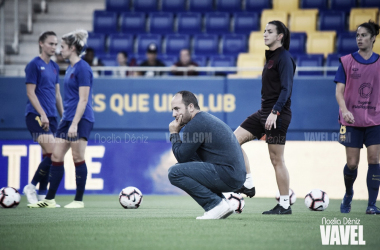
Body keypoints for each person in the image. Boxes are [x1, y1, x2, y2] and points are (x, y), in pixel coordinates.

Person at [234, 20, 296, 215]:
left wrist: (275, 112)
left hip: (277, 114)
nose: (265, 34)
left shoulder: (284, 58)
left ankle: (285, 205)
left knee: (276, 159)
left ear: (280, 36)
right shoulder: (271, 57)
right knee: (232, 141)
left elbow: (287, 89)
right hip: (263, 112)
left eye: (269, 31)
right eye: (264, 31)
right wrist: (268, 112)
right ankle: (248, 183)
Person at [28, 29, 94, 209]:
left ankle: (78, 200)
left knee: (77, 156)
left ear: (72, 48)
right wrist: (66, 120)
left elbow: (84, 99)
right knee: (56, 155)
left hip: (81, 119)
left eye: (63, 47)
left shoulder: (83, 68)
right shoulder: (71, 68)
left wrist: (74, 124)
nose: (60, 50)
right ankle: (49, 199)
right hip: (67, 119)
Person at [168, 91, 246, 219]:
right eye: (172, 110)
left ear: (191, 107)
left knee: (174, 173)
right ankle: (222, 204)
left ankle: (215, 205)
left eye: (177, 109)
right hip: (235, 176)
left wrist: (174, 133)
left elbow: (181, 157)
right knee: (186, 164)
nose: (173, 114)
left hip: (228, 174)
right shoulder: (203, 119)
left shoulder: (195, 124)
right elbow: (186, 159)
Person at [335, 20, 380, 215]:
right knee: (352, 163)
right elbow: (339, 92)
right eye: (357, 35)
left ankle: (371, 204)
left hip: (375, 120)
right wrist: (345, 110)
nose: (359, 39)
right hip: (351, 121)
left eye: (363, 35)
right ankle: (348, 194)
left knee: (374, 159)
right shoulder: (346, 61)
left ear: (373, 38)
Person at [23, 31, 63, 207]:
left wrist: (65, 117)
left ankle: (42, 195)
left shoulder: (54, 67)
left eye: (56, 44)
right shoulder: (34, 65)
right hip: (36, 116)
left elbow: (57, 94)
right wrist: (42, 114)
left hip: (52, 117)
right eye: (51, 43)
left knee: (50, 155)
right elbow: (30, 93)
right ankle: (31, 187)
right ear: (41, 43)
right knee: (55, 153)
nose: (54, 47)